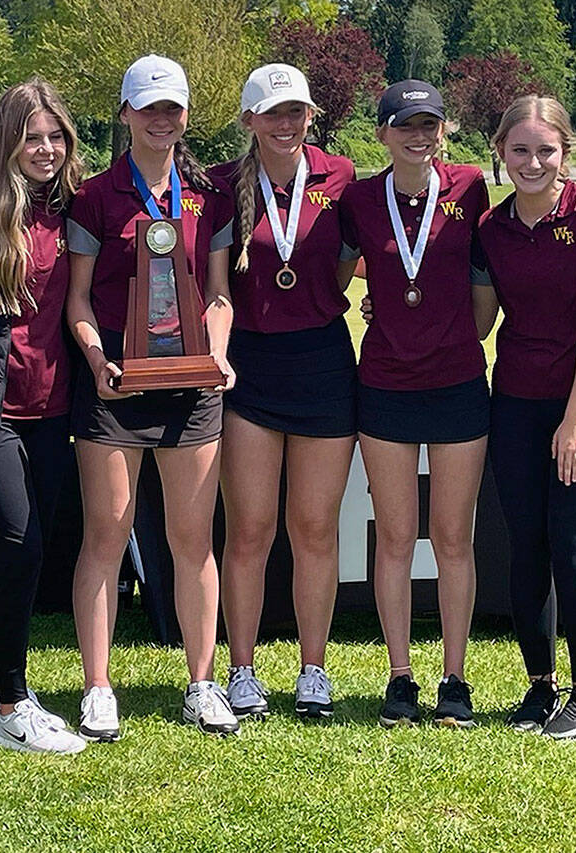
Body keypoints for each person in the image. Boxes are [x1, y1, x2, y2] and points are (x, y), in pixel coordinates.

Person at [66, 55, 238, 739]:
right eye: (148, 108)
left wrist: (217, 352)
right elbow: (78, 299)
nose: (161, 119)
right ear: (125, 113)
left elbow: (218, 293)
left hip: (192, 387)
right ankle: (98, 687)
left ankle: (202, 683)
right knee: (106, 536)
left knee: (193, 540)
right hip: (116, 384)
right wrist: (97, 360)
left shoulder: (208, 197)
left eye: (172, 108)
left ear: (186, 115)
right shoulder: (95, 196)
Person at [337, 79, 494, 729]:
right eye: (406, 125)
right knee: (397, 537)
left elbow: (483, 281)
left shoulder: (470, 186)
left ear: (444, 130)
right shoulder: (359, 199)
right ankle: (400, 676)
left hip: (458, 382)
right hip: (385, 384)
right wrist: (375, 297)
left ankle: (454, 677)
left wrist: (463, 327)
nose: (419, 136)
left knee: (453, 538)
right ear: (382, 134)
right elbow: (339, 273)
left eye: (430, 124)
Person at [477, 95, 576, 741]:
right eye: (520, 150)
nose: (532, 162)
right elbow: (479, 322)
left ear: (566, 152)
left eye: (545, 150)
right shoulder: (490, 227)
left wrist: (575, 419)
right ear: (500, 152)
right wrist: (398, 302)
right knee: (527, 549)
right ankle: (540, 686)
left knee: (571, 549)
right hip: (515, 400)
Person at [208, 64, 357, 720]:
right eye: (273, 113)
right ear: (249, 121)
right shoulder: (221, 184)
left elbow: (352, 260)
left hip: (324, 364)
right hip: (250, 369)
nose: (286, 123)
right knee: (250, 529)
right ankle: (241, 670)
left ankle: (313, 669)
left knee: (315, 528)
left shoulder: (340, 175)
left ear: (310, 116)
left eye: (296, 111)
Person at [0, 79, 88, 754]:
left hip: (54, 407)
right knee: (19, 547)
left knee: (27, 560)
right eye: (32, 137)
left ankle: (5, 683)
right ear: (7, 140)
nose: (46, 148)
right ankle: (10, 709)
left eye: (56, 136)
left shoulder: (72, 207)